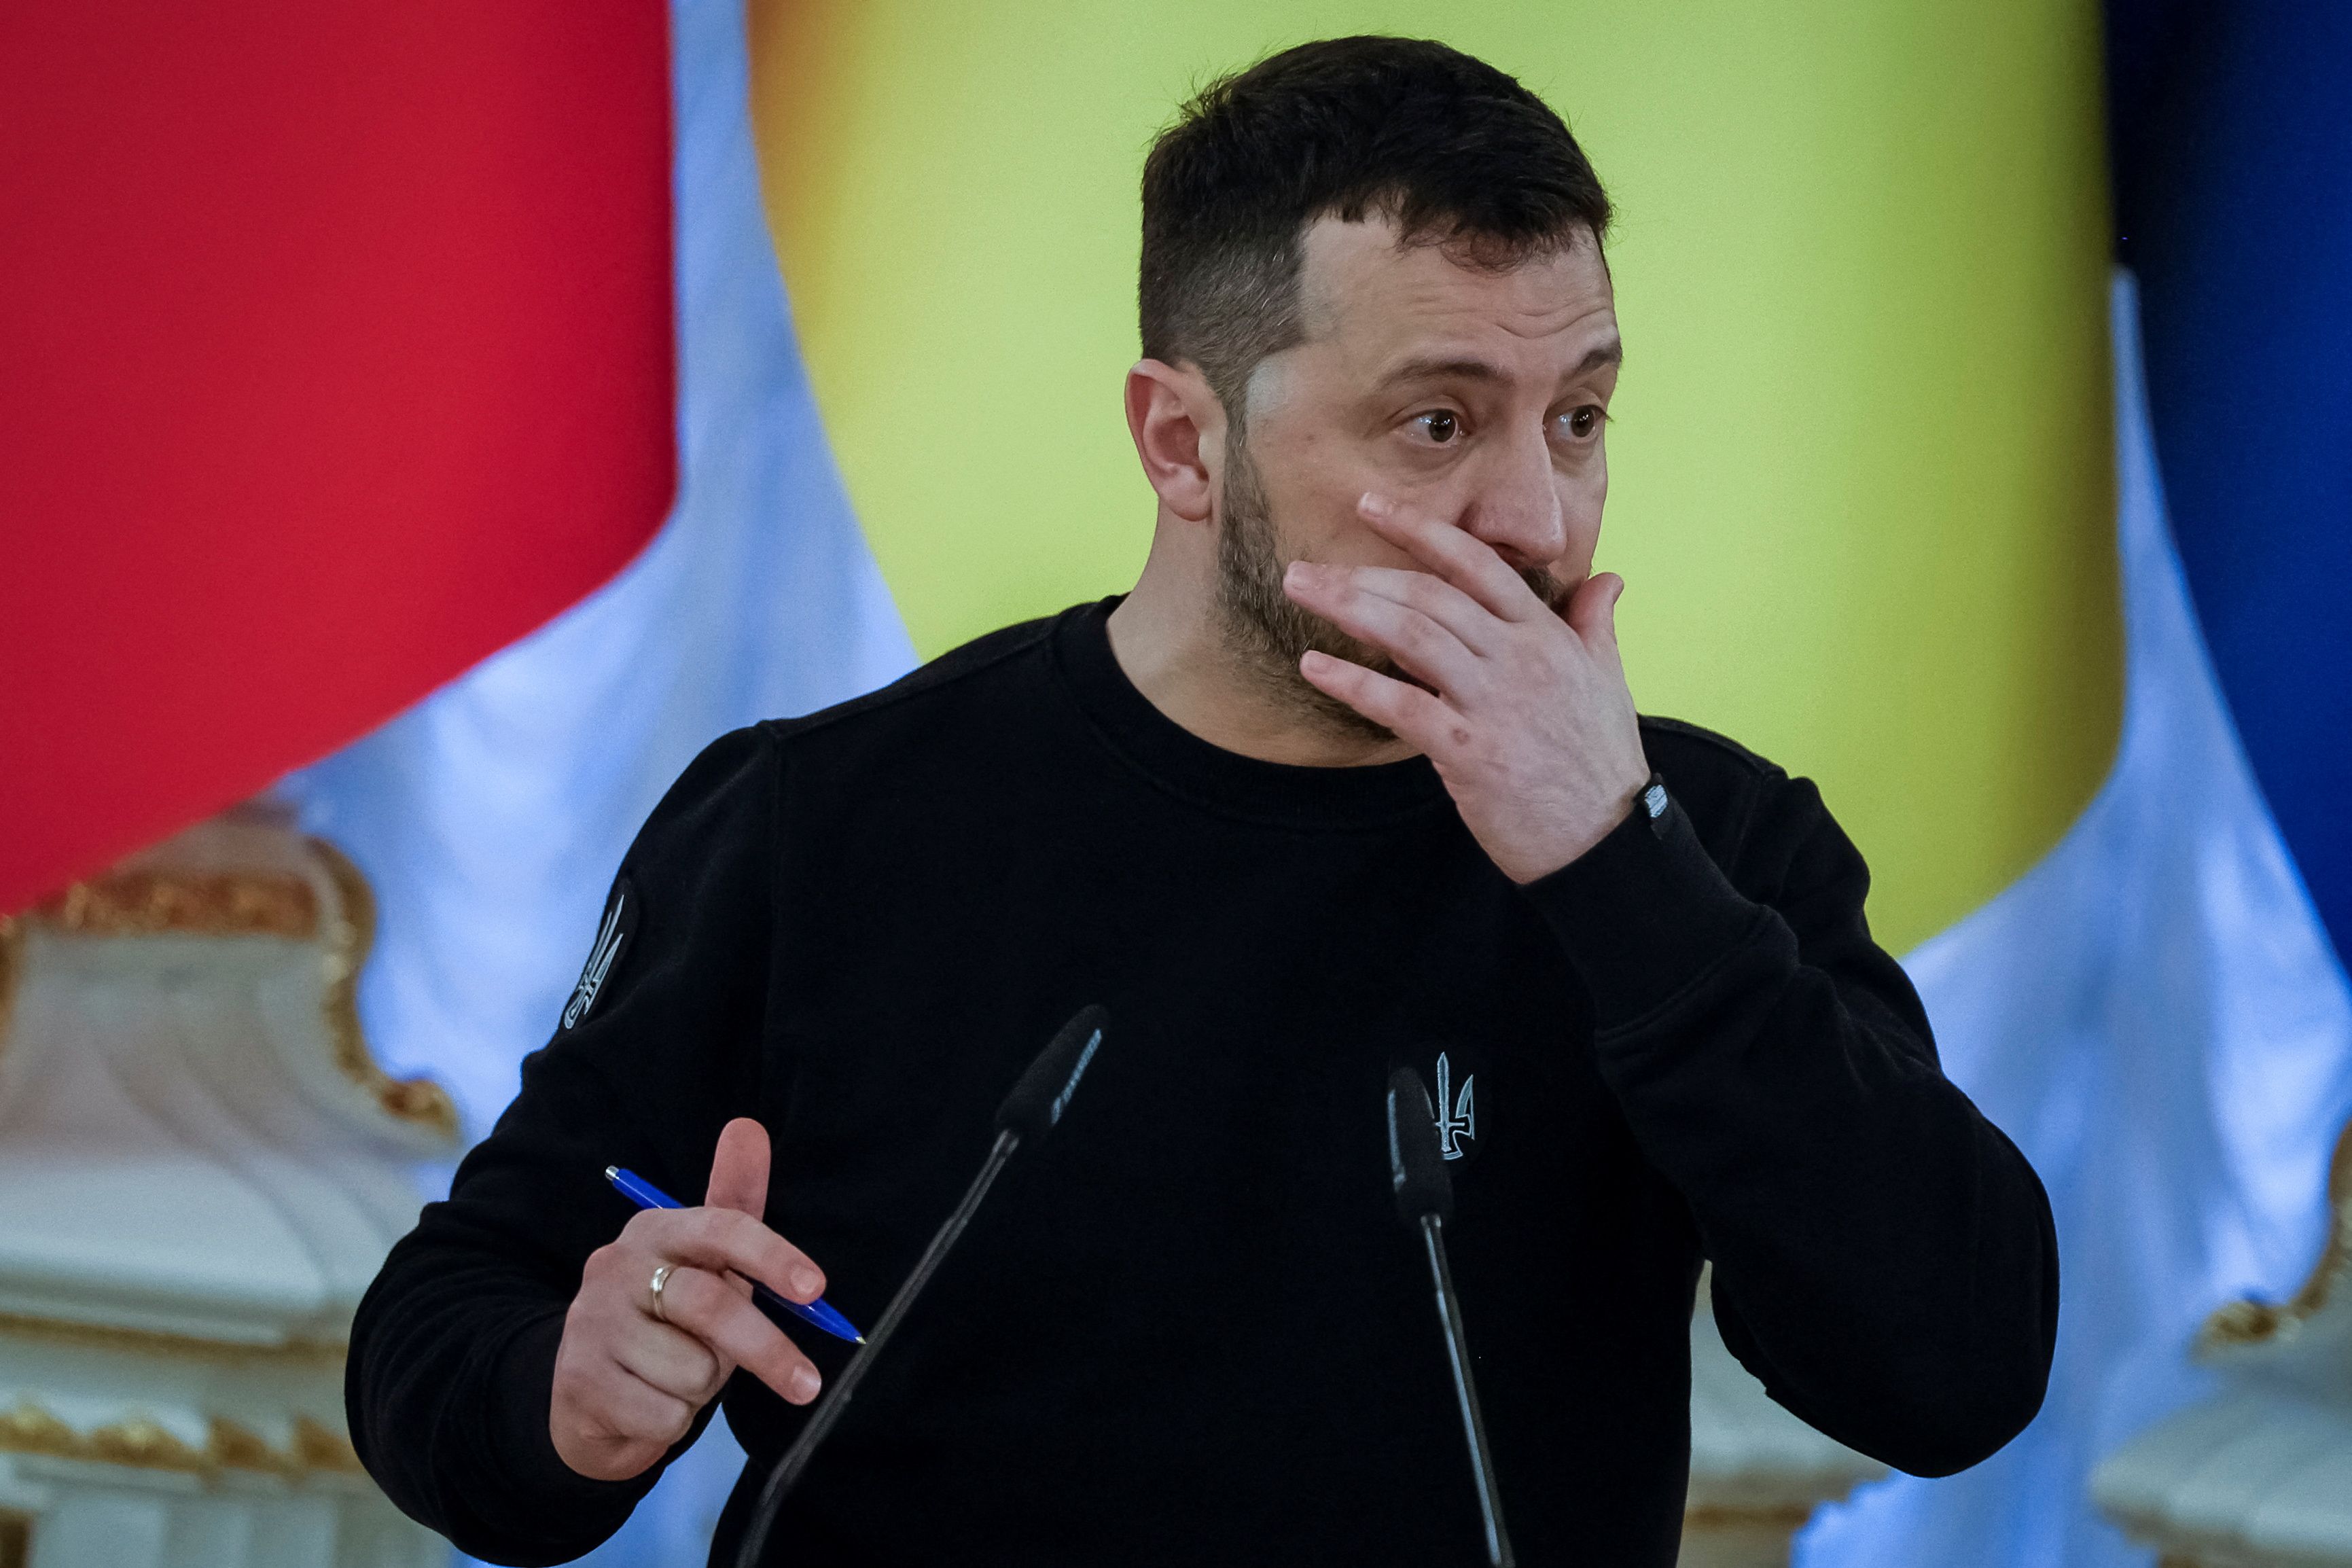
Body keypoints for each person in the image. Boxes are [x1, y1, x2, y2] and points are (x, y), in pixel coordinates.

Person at [348, 35, 2057, 1567]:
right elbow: (446, 1327)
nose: (1540, 514)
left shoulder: (1706, 852)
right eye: (1440, 421)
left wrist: (1617, 869)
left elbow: (1956, 1370)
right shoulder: (829, 821)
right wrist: (563, 1397)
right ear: (1183, 444)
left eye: (1583, 414)